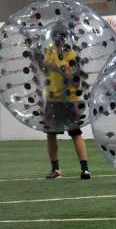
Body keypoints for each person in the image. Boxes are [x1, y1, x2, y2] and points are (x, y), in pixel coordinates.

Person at [38, 26, 92, 180]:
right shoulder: (49, 52)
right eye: (56, 36)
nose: (59, 39)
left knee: (75, 133)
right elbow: (45, 70)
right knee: (51, 134)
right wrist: (43, 63)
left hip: (70, 98)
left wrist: (57, 68)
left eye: (61, 36)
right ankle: (55, 169)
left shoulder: (71, 53)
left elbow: (72, 76)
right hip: (53, 97)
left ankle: (85, 169)